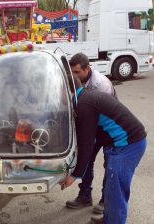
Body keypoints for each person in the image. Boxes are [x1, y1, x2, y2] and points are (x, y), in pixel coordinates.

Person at [60, 76, 147, 224]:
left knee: (116, 192)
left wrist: (75, 175)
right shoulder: (84, 98)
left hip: (127, 145)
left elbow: (86, 144)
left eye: (58, 91)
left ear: (69, 89)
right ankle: (109, 219)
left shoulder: (84, 104)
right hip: (121, 143)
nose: (57, 97)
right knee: (111, 189)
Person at [65, 53, 117, 214]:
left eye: (77, 72)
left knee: (110, 165)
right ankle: (85, 196)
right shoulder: (75, 83)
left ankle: (105, 200)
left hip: (108, 130)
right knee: (86, 161)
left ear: (87, 68)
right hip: (89, 125)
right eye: (72, 72)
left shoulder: (101, 85)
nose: (74, 75)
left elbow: (101, 115)